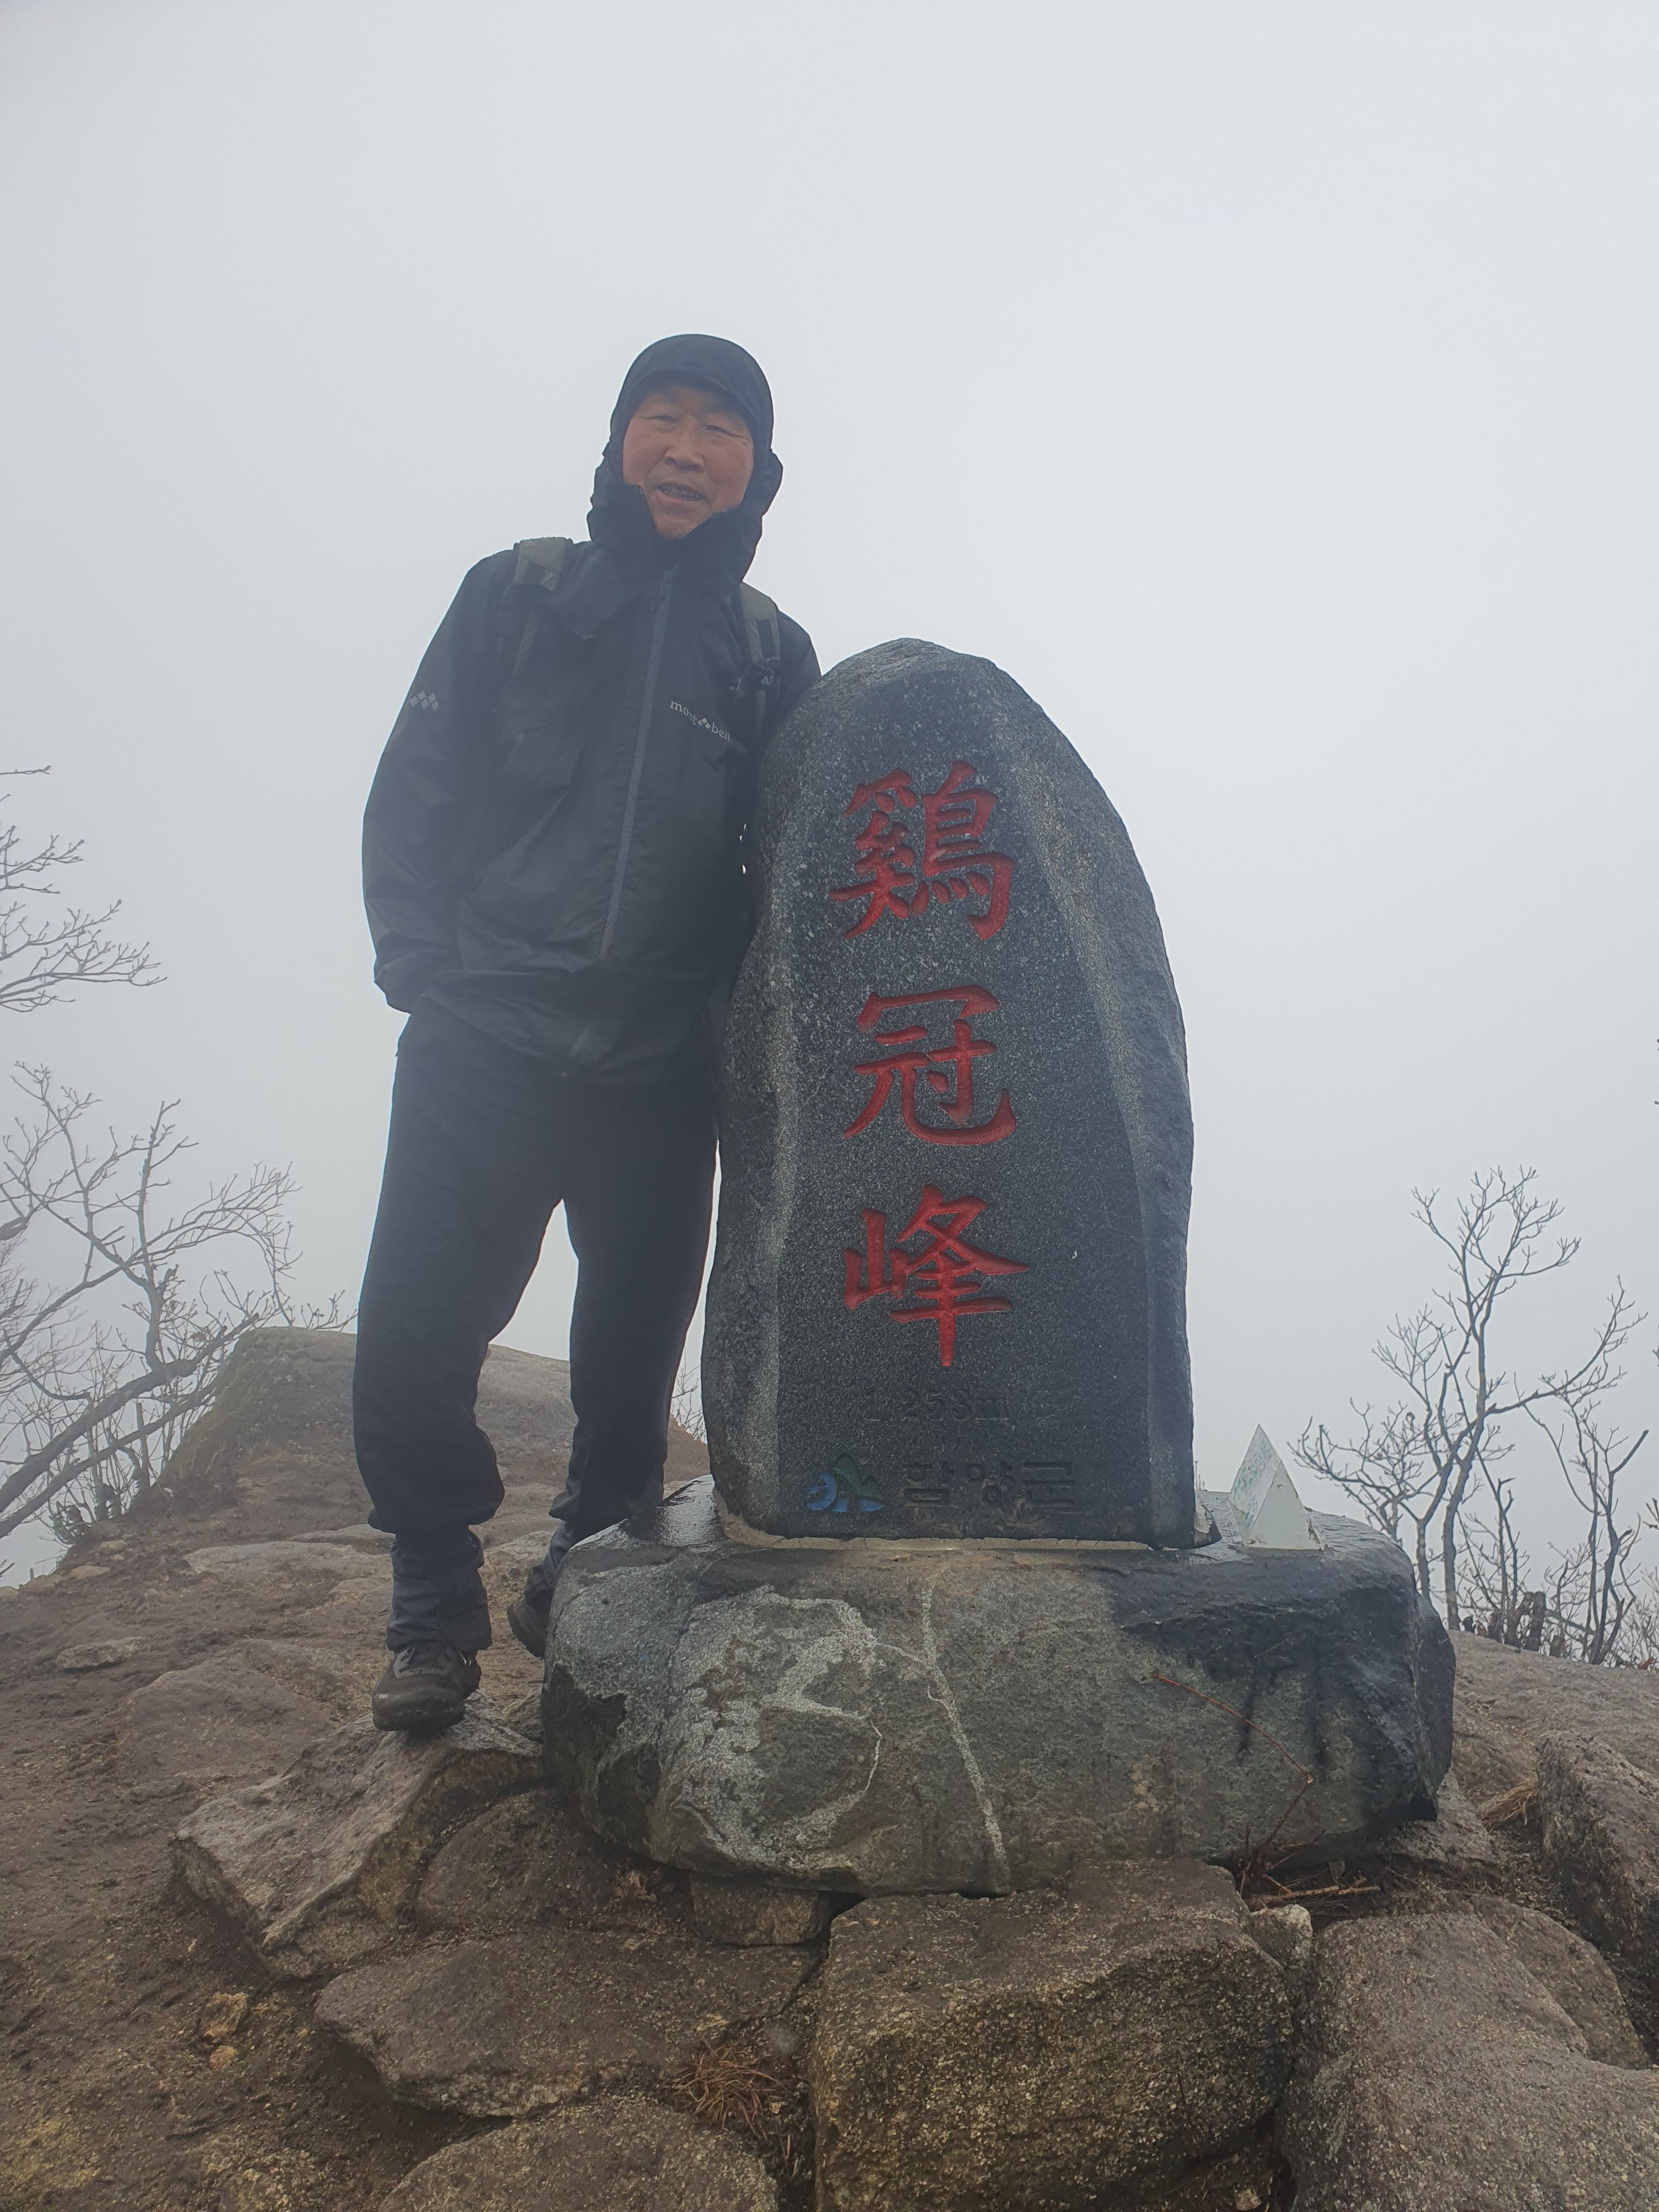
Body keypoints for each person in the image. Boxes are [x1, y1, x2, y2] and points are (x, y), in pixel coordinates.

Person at [354, 336, 819, 1734]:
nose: (686, 448)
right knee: (416, 1333)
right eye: (661, 418)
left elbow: (790, 866)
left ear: (758, 473)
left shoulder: (770, 654)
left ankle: (585, 1575)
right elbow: (418, 781)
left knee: (630, 1369)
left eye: (720, 429)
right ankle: (432, 1603)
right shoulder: (518, 594)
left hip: (659, 1070)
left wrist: (743, 1039)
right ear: (619, 442)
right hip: (487, 1033)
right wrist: (424, 969)